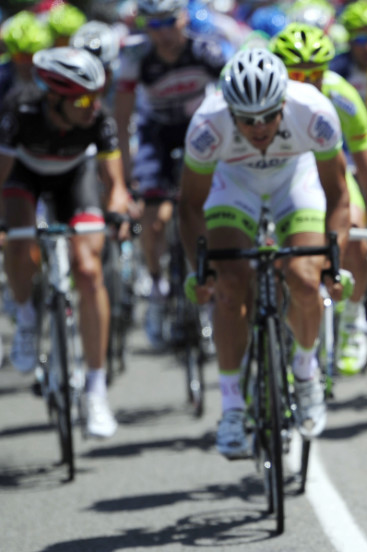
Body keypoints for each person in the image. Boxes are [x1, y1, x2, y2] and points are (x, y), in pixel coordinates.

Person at [178, 48, 350, 458]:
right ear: (229, 110)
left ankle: (306, 373)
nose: (258, 128)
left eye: (268, 117)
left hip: (295, 180)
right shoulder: (207, 125)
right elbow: (188, 206)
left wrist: (334, 263)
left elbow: (339, 193)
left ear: (284, 103)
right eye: (247, 120)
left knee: (306, 279)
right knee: (230, 284)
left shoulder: (315, 113)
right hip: (233, 185)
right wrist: (200, 272)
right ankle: (233, 406)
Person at [0, 47, 131, 438]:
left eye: (99, 94)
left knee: (89, 272)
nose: (95, 106)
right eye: (84, 98)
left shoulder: (98, 117)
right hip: (24, 175)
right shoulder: (19, 111)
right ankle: (25, 316)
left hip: (76, 177)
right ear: (54, 97)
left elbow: (115, 184)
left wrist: (119, 209)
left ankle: (95, 390)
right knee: (20, 242)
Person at [268, 22, 367, 375]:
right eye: (295, 75)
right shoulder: (264, 95)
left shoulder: (341, 96)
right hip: (282, 172)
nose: (305, 84)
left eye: (314, 75)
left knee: (353, 222)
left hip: (330, 171)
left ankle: (353, 316)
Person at [114, 0, 227, 350]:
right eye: (153, 24)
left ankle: (208, 294)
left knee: (210, 213)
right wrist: (126, 167)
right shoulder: (135, 56)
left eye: (168, 22)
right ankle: (158, 287)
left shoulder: (204, 49)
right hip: (156, 135)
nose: (162, 33)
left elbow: (231, 98)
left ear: (183, 18)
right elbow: (121, 117)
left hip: (199, 129)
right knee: (156, 219)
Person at [0, 11, 53, 102]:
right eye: (19, 57)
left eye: (30, 57)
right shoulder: (2, 75)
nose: (24, 63)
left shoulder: (50, 75)